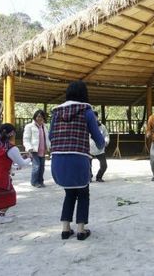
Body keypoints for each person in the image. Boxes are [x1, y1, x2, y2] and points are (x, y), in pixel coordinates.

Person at [50, 80, 105, 240]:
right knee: (83, 193)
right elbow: (98, 139)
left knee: (69, 193)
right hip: (78, 159)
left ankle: (65, 229)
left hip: (58, 160)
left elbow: (51, 136)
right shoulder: (87, 112)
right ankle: (81, 230)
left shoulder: (56, 113)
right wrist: (100, 146)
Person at [0, 123, 31, 224]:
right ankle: (0, 216)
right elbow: (22, 163)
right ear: (12, 134)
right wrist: (30, 158)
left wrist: (14, 168)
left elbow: (1, 161)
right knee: (10, 197)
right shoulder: (11, 148)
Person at [23, 109, 51, 188]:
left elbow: (47, 138)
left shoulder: (44, 127)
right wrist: (28, 147)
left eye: (42, 117)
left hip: (43, 150)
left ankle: (41, 181)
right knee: (36, 166)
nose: (40, 118)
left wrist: (49, 147)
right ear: (35, 117)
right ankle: (34, 182)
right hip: (34, 150)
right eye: (38, 116)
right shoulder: (29, 126)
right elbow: (26, 139)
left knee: (42, 167)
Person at [89, 111, 110, 182]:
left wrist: (106, 141)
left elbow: (106, 135)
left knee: (104, 165)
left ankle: (99, 177)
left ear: (97, 117)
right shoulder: (86, 126)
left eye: (95, 117)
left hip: (100, 148)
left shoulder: (102, 126)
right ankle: (89, 177)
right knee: (87, 165)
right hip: (88, 149)